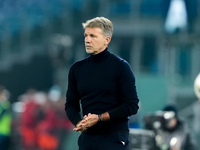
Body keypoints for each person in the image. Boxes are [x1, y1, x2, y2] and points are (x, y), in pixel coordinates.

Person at [65, 17, 139, 150]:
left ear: (107, 40)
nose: (87, 40)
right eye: (86, 35)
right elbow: (70, 104)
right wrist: (79, 122)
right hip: (87, 139)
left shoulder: (120, 67)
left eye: (93, 36)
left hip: (114, 138)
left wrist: (99, 118)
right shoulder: (76, 69)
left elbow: (132, 105)